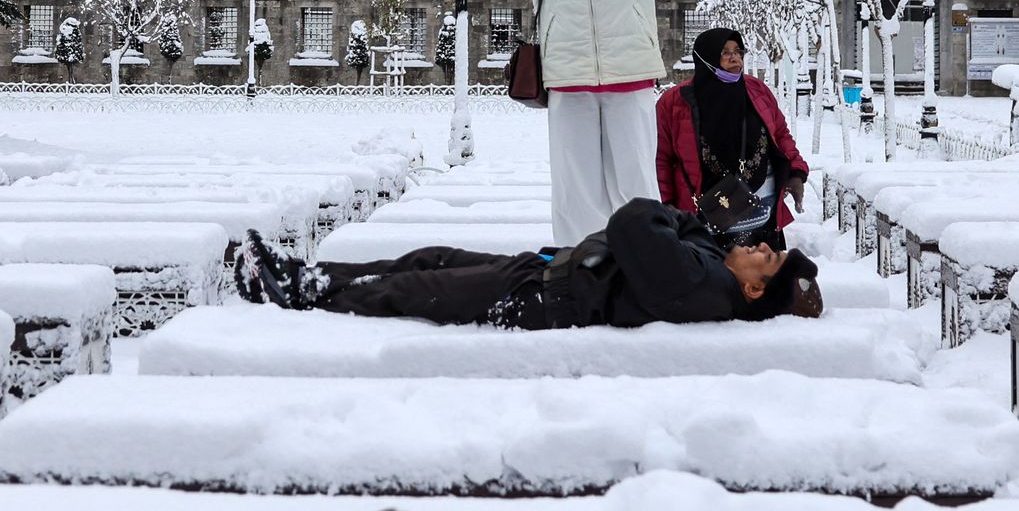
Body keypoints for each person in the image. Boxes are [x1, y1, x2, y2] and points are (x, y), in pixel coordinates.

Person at [231, 196, 820, 329]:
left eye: (768, 259)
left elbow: (635, 220)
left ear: (752, 292)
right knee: (430, 259)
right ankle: (304, 275)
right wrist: (694, 230)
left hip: (542, 299)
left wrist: (682, 226)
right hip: (545, 272)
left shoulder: (703, 281)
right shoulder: (713, 266)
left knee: (414, 288)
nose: (761, 246)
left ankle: (297, 291)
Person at [497, 0, 686, 246]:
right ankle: (579, 265)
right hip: (567, 74)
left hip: (629, 72)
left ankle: (648, 258)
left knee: (635, 179)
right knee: (575, 185)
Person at [655, 28, 810, 232]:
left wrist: (796, 172)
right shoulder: (675, 102)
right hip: (702, 224)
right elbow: (661, 158)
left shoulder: (757, 90)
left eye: (738, 51)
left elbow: (780, 134)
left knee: (767, 264)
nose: (735, 58)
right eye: (725, 52)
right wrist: (665, 207)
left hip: (762, 219)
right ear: (706, 57)